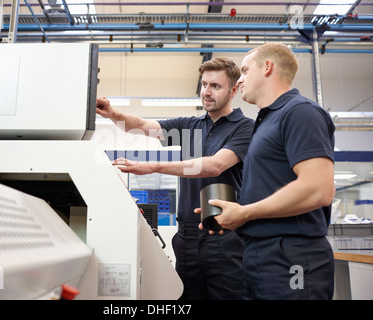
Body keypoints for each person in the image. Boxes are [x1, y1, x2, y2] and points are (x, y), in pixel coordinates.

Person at [96, 57, 254, 300]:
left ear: (234, 90)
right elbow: (141, 125)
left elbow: (214, 166)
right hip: (188, 236)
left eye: (215, 86)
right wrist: (112, 114)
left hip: (224, 236)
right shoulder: (188, 126)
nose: (206, 92)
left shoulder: (244, 127)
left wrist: (153, 167)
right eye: (204, 85)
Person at [199, 43, 335, 300]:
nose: (240, 79)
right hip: (258, 254)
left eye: (246, 70)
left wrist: (246, 212)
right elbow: (272, 187)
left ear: (268, 67)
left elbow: (318, 188)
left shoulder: (299, 112)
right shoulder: (265, 123)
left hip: (291, 255)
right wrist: (235, 214)